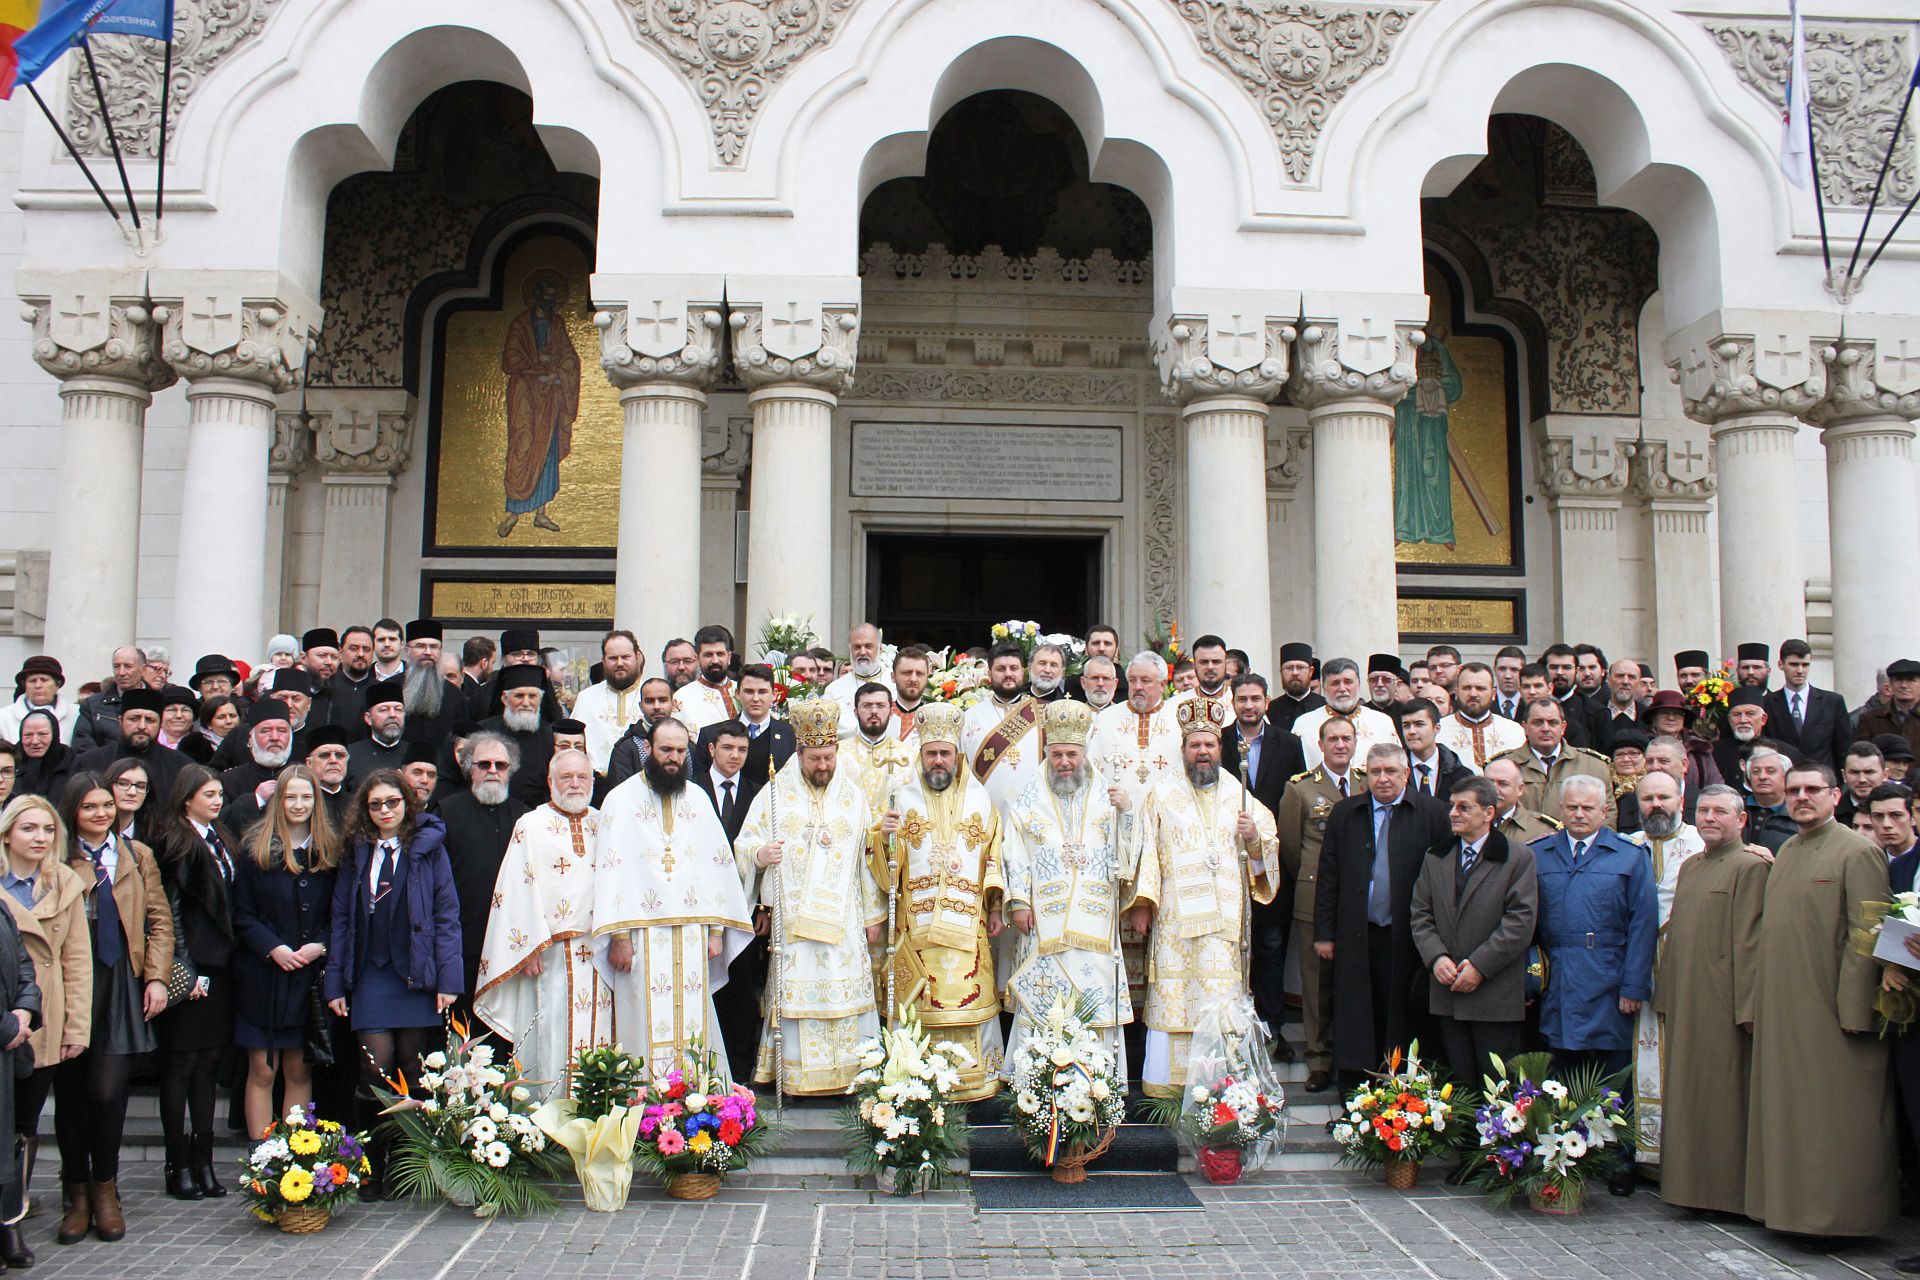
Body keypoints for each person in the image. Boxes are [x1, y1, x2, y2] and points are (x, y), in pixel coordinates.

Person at [1746, 763, 1895, 1237]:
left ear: (1836, 795)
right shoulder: (1787, 848)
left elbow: (1867, 935)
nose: (1802, 797)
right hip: (1785, 1011)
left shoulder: (1859, 851)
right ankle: (1792, 1214)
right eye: (1794, 790)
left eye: (1813, 789)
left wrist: (1854, 1011)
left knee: (1836, 1119)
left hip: (1833, 1014)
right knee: (1792, 1118)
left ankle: (1841, 1219)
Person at [1125, 697, 1280, 1096]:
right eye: (1195, 745)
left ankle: (1219, 1087)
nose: (1203, 752)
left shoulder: (1240, 794)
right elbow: (1147, 852)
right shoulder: (1161, 794)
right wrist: (1143, 905)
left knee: (1219, 999)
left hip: (1224, 924)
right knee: (1176, 996)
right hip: (1175, 922)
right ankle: (1168, 1086)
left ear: (1219, 748)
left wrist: (1255, 840)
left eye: (1209, 745)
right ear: (1183, 750)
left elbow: (1268, 849)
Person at [733, 699, 884, 1096]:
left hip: (845, 920)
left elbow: (866, 862)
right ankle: (797, 1078)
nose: (823, 766)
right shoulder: (774, 795)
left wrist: (873, 917)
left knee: (844, 986)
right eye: (815, 758)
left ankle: (854, 1074)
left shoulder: (853, 797)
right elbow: (744, 843)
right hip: (795, 922)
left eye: (829, 758)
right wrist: (760, 855)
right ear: (799, 754)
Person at [324, 771, 461, 1201]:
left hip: (416, 974)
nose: (385, 811)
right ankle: (370, 1163)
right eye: (376, 804)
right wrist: (334, 983)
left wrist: (448, 979)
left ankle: (407, 1164)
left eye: (392, 802)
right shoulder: (357, 851)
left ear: (407, 804)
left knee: (413, 1068)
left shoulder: (429, 849)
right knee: (375, 1068)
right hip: (370, 975)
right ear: (365, 811)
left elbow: (446, 915)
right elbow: (342, 918)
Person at [55, 772, 173, 1245]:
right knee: (71, 1095)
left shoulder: (136, 855)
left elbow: (161, 920)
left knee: (107, 1093)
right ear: (72, 813)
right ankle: (76, 1194)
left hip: (122, 980)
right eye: (89, 807)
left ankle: (106, 1188)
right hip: (71, 985)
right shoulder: (59, 857)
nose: (102, 813)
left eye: (106, 805)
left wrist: (158, 977)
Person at [1530, 773, 1656, 1195]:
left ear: (1605, 811)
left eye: (1588, 808)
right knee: (1560, 1071)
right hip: (1559, 977)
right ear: (1560, 809)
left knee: (1612, 1076)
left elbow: (1643, 925)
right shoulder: (1540, 854)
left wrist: (1634, 986)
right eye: (1572, 807)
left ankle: (1618, 1163)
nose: (1579, 814)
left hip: (1608, 975)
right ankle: (1562, 1157)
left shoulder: (1628, 856)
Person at [873, 705, 1006, 1099]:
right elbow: (881, 866)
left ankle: (975, 1077)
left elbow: (995, 855)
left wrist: (996, 906)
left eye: (944, 754)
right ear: (921, 755)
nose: (938, 761)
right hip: (916, 931)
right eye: (931, 753)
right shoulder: (900, 797)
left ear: (956, 756)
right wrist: (884, 836)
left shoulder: (981, 801)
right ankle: (914, 1079)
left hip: (969, 929)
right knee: (921, 1005)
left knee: (968, 999)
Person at [1000, 701, 1133, 1079]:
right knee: (1045, 1001)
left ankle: (1100, 1079)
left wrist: (1128, 814)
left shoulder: (1108, 799)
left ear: (1083, 754)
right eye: (1057, 754)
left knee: (1093, 994)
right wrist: (1020, 901)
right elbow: (1015, 851)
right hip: (1044, 920)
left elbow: (1127, 857)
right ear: (1047, 754)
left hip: (1096, 919)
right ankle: (1036, 1081)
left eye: (1071, 754)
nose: (1064, 762)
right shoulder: (1028, 799)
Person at [475, 750, 621, 1094]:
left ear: (592, 781)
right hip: (550, 954)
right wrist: (525, 946)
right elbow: (516, 885)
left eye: (581, 777)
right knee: (552, 1033)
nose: (574, 784)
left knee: (606, 1037)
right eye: (566, 777)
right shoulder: (531, 824)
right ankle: (547, 1113)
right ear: (550, 782)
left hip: (602, 952)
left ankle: (599, 1114)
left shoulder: (606, 823)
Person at [1655, 784, 1767, 1217]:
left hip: (1725, 1006)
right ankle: (1690, 1188)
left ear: (1742, 820)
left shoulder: (1750, 867)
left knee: (1726, 1100)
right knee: (1689, 1098)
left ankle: (1726, 1194)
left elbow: (1752, 944)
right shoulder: (1692, 867)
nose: (1710, 818)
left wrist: (1748, 1007)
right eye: (1703, 810)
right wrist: (1666, 994)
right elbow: (1676, 938)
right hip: (1687, 1000)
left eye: (1721, 811)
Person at [1315, 742, 1449, 1080]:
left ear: (1406, 774)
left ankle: (1404, 1088)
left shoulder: (1432, 813)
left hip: (1410, 935)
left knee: (1402, 1011)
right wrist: (1324, 933)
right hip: (1357, 932)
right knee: (1357, 1010)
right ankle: (1357, 1090)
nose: (1384, 779)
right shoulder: (1346, 813)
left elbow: (1445, 880)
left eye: (1391, 771)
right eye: (1376, 772)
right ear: (1366, 776)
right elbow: (1328, 875)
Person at [0, 794, 87, 1269]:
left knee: (23, 1127)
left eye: (48, 830)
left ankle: (13, 1216)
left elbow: (76, 960)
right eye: (30, 829)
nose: (40, 838)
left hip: (42, 1020)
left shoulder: (65, 884)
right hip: (2, 1017)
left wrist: (75, 1026)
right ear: (7, 833)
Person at [232, 765, 339, 1144]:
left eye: (306, 797)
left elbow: (339, 914)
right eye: (290, 796)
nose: (298, 804)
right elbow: (241, 913)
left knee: (299, 1069)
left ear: (317, 801)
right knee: (263, 1070)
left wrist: (321, 945)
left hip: (309, 976)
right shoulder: (254, 848)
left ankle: (297, 1153)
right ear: (278, 800)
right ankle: (264, 1157)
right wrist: (273, 947)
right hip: (264, 976)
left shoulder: (330, 850)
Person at [1409, 776, 1537, 1085]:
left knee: (1498, 1087)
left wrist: (1480, 966)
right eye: (1452, 806)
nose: (1453, 813)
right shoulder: (1436, 856)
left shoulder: (1517, 858)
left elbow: (1520, 921)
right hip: (1447, 989)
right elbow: (1420, 914)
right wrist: (1436, 958)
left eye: (1464, 807)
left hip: (1494, 994)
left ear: (1489, 813)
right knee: (1457, 1087)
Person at [151, 765, 239, 1201]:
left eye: (220, 793)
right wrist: (186, 971)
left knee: (208, 1064)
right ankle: (177, 1162)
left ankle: (203, 1160)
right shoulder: (175, 841)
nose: (217, 800)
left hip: (220, 966)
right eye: (208, 794)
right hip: (190, 970)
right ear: (186, 798)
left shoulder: (218, 834)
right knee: (181, 1064)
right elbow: (171, 913)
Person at [1621, 768, 1702, 1173]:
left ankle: (1682, 1154)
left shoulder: (1701, 845)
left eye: (1664, 798)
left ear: (1680, 801)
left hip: (1683, 966)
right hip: (1632, 969)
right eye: (1648, 799)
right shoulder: (1626, 846)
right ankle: (1639, 1153)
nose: (1656, 806)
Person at [1218, 673, 1303, 1052]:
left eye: (1255, 698)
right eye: (1242, 699)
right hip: (1222, 862)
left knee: (1270, 946)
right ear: (1232, 702)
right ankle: (1230, 1026)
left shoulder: (1289, 744)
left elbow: (1294, 800)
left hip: (1269, 862)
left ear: (1267, 702)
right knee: (1228, 947)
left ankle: (1272, 1028)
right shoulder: (1216, 742)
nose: (1248, 705)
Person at [1277, 717, 1360, 1094]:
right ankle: (1319, 1060)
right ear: (1321, 744)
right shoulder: (1301, 790)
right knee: (1316, 986)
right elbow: (1291, 849)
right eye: (1333, 739)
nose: (1340, 745)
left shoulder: (1365, 782)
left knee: (1354, 983)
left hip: (1358, 900)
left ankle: (1352, 1056)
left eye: (1346, 738)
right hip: (1314, 900)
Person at [438, 732, 531, 1009]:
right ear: (469, 768)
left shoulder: (526, 817)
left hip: (510, 946)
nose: (492, 771)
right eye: (484, 764)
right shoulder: (446, 812)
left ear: (510, 770)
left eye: (500, 765)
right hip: (461, 943)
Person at [1494, 698, 1615, 826]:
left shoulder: (1594, 766)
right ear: (1525, 727)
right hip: (1520, 843)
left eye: (1553, 723)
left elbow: (1607, 815)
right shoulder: (1504, 766)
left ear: (1563, 727)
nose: (1545, 728)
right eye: (1538, 723)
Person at [961, 642, 1044, 811]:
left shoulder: (1044, 714)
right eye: (1001, 669)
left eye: (1014, 668)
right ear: (989, 673)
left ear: (1023, 671)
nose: (1008, 674)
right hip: (984, 814)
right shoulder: (970, 717)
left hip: (1035, 813)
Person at [74, 687, 187, 804]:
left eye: (150, 720)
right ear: (120, 721)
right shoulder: (89, 762)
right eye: (134, 719)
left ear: (160, 724)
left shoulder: (181, 767)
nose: (142, 726)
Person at [1761, 638, 1851, 772]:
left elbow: (1844, 749)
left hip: (1823, 780)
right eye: (1794, 664)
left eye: (1805, 665)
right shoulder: (1767, 702)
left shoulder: (1832, 701)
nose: (1800, 670)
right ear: (1781, 664)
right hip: (1784, 779)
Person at [1293, 658, 1398, 771]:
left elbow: (1397, 767)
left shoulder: (1382, 722)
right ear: (1324, 687)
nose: (1342, 689)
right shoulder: (1304, 724)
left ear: (1358, 684)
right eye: (1335, 683)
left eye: (1348, 682)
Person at [570, 630, 646, 778]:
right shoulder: (586, 698)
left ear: (637, 657)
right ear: (604, 661)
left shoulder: (650, 695)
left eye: (625, 657)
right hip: (595, 785)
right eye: (613, 658)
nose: (619, 663)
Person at [477, 667, 556, 807]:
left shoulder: (550, 735)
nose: (526, 703)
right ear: (504, 698)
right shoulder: (483, 732)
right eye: (519, 696)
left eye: (532, 696)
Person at [1436, 662, 1523, 770]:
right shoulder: (1438, 731)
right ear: (1457, 693)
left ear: (1493, 694)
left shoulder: (1514, 731)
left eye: (1480, 688)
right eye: (1467, 688)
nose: (1473, 694)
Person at [604, 677, 678, 790]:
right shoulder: (625, 749)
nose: (656, 706)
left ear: (673, 704)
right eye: (650, 701)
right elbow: (619, 794)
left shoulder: (687, 747)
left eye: (663, 700)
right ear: (641, 706)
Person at [73, 647, 148, 753]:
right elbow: (83, 747)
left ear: (143, 669)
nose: (121, 672)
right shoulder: (92, 706)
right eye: (116, 666)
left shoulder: (160, 703)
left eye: (128, 666)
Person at [671, 624, 741, 735]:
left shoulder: (744, 691)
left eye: (720, 654)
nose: (715, 660)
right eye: (708, 655)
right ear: (697, 658)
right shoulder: (681, 698)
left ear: (729, 658)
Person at [0, 656, 76, 744]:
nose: (38, 685)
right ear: (24, 685)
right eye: (32, 681)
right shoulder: (3, 717)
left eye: (44, 680)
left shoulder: (76, 714)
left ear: (57, 684)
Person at [14, 709, 74, 802]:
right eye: (28, 735)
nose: (35, 741)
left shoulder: (70, 761)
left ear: (54, 735)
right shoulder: (11, 760)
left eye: (42, 734)